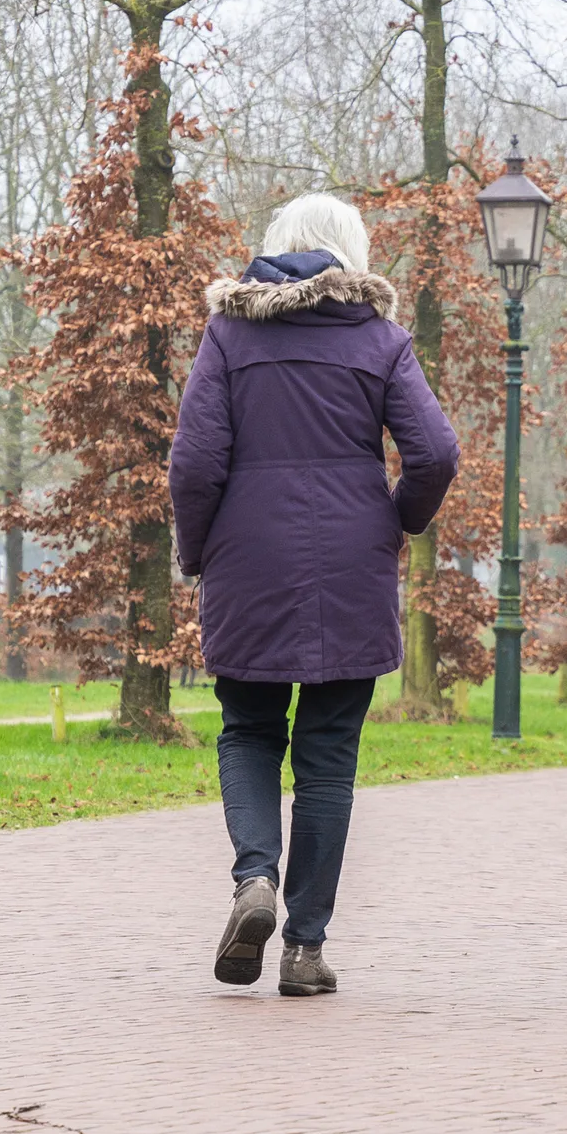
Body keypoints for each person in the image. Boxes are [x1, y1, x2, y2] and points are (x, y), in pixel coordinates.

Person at [169, 192, 458, 996]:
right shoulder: (381, 340)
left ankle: (253, 879)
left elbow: (193, 464)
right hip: (351, 564)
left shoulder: (228, 335)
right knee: (328, 762)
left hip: (247, 558)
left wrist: (198, 552)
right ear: (352, 256)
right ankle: (304, 948)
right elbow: (434, 453)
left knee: (249, 731)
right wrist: (393, 522)